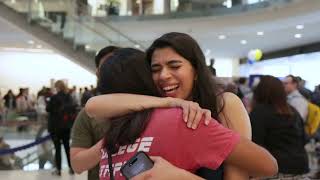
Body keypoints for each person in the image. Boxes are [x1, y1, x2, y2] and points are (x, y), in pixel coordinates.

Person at [85, 48, 277, 180]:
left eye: (174, 66)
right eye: (156, 69)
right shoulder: (184, 119)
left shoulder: (114, 136)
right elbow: (268, 165)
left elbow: (93, 106)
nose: (163, 76)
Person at [70, 46, 119, 180]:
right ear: (98, 73)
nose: (113, 71)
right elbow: (77, 165)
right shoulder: (89, 113)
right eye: (107, 67)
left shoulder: (148, 104)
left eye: (119, 65)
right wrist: (112, 139)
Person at [250, 75, 309, 179]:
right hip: (300, 167)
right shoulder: (292, 111)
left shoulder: (259, 112)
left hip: (275, 167)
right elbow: (304, 139)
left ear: (259, 91)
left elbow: (254, 144)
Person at [46, 80, 76, 176]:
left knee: (57, 148)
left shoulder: (54, 98)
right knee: (67, 147)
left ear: (57, 87)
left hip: (55, 128)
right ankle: (71, 168)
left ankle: (58, 170)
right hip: (66, 127)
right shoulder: (68, 97)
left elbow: (48, 109)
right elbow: (73, 109)